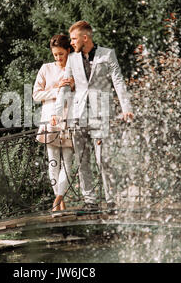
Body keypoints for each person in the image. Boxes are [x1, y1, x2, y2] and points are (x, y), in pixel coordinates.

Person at [52, 20, 134, 211]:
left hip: (102, 114)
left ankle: (111, 199)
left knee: (102, 159)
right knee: (82, 161)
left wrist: (126, 108)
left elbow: (118, 82)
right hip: (78, 116)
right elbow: (65, 86)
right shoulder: (72, 59)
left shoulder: (107, 54)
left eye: (74, 38)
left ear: (85, 37)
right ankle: (90, 201)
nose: (71, 42)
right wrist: (58, 114)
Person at [33, 34, 75, 213]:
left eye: (61, 54)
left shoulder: (75, 69)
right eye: (55, 54)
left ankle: (58, 198)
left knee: (67, 164)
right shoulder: (46, 68)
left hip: (70, 121)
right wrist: (56, 90)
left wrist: (73, 86)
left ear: (68, 51)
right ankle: (60, 200)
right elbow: (36, 95)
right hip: (50, 121)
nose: (58, 58)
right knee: (53, 163)